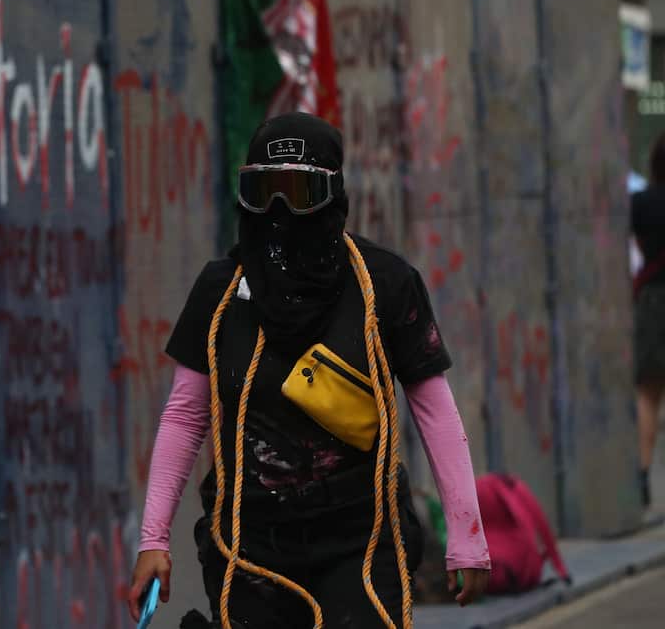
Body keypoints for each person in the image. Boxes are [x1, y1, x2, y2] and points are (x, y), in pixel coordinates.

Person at [126, 113, 490, 628]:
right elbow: (185, 417)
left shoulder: (385, 284)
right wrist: (153, 540)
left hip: (360, 542)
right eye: (264, 192)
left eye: (298, 192)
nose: (279, 212)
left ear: (332, 196)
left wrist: (467, 538)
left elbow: (434, 410)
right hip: (249, 547)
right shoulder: (220, 292)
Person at [631, 133, 665, 508]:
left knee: (648, 394)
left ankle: (642, 473)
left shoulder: (640, 203)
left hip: (652, 301)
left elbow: (636, 248)